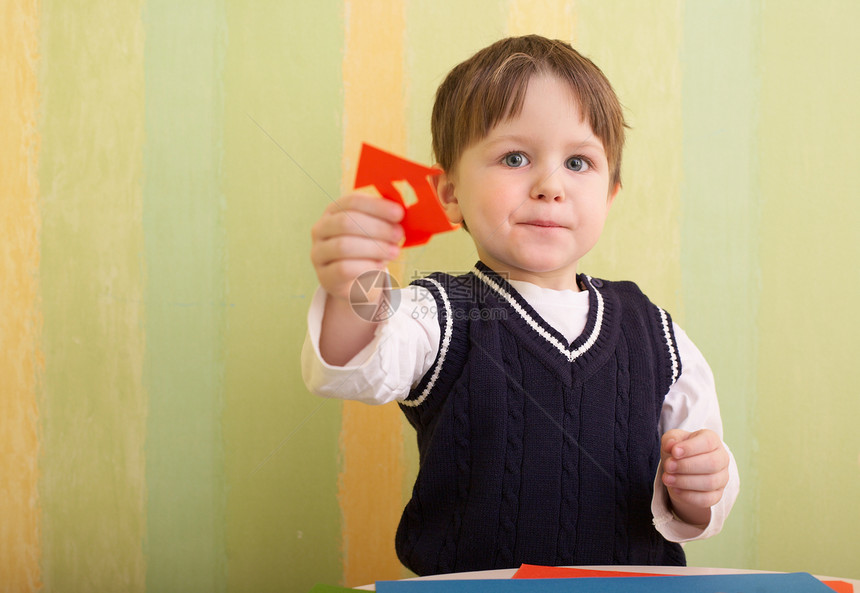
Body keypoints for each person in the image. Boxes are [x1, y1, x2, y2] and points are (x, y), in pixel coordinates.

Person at [302, 35, 739, 576]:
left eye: (579, 163)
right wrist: (352, 283)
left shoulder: (656, 330)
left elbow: (700, 490)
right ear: (450, 192)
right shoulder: (438, 312)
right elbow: (352, 368)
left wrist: (699, 486)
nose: (550, 185)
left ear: (609, 195)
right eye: (515, 157)